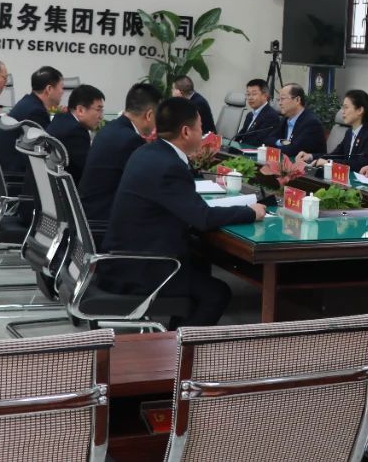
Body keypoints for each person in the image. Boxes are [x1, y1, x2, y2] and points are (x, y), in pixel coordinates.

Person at [105, 97, 265, 327]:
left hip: (125, 260)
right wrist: (250, 212)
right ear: (186, 132)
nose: (204, 134)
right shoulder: (169, 166)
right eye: (201, 128)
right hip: (142, 269)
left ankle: (175, 336)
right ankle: (180, 346)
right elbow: (203, 218)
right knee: (216, 294)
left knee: (198, 260)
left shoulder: (147, 152)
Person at [79, 82, 161, 222]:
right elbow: (147, 186)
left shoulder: (110, 129)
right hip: (103, 221)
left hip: (89, 214)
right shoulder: (131, 140)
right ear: (149, 115)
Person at [0, 66, 63, 183]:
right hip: (15, 176)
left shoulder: (28, 103)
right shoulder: (36, 112)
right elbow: (45, 151)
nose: (62, 92)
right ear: (49, 89)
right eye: (61, 87)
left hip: (5, 170)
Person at [299, 89, 368, 174]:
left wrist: (329, 163)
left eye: (346, 107)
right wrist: (311, 156)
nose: (342, 112)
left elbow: (360, 165)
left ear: (360, 110)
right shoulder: (350, 132)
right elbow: (335, 155)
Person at [48, 83, 104, 185]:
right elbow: (89, 171)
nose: (101, 116)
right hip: (66, 190)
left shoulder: (60, 118)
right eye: (98, 110)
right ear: (80, 110)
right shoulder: (76, 132)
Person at [274, 83, 325, 159]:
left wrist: (271, 148)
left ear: (297, 100)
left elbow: (293, 150)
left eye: (283, 99)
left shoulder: (311, 123)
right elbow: (269, 139)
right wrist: (282, 142)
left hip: (306, 165)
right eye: (279, 99)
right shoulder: (285, 119)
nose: (280, 103)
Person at [232, 78, 281, 148]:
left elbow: (258, 141)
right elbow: (241, 135)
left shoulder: (271, 116)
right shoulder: (250, 115)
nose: (250, 98)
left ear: (265, 96)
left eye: (254, 94)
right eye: (248, 94)